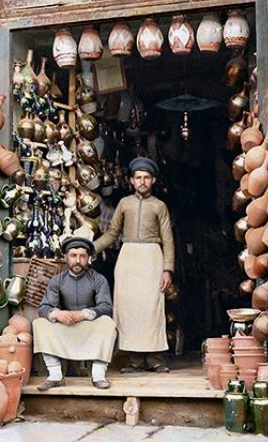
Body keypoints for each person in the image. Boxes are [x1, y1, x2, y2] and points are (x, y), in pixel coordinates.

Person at [94, 156, 175, 373]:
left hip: (152, 257)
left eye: (146, 178)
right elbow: (112, 233)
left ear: (153, 180)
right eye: (138, 177)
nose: (142, 182)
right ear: (131, 180)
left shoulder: (159, 206)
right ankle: (134, 359)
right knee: (128, 308)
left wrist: (167, 269)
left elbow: (168, 239)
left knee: (151, 308)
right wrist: (90, 249)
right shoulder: (124, 204)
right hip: (128, 257)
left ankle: (155, 358)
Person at [33, 236, 117, 390]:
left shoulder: (98, 279)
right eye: (73, 256)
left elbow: (106, 307)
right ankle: (55, 375)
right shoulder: (57, 280)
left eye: (82, 256)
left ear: (88, 258)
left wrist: (83, 314)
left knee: (108, 323)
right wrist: (57, 314)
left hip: (89, 327)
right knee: (39, 324)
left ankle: (98, 375)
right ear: (66, 257)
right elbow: (44, 307)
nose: (78, 260)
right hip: (66, 326)